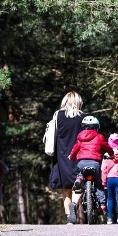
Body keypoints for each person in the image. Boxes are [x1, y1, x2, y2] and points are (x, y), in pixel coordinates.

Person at [67, 115, 113, 224]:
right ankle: (102, 205)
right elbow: (107, 147)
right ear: (96, 127)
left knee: (81, 172)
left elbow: (75, 149)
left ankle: (79, 179)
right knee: (98, 185)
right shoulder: (99, 136)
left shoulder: (80, 137)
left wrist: (71, 157)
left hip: (82, 162)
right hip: (95, 162)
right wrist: (112, 154)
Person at [48, 91, 85, 223]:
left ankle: (69, 217)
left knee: (65, 189)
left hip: (62, 155)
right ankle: (74, 205)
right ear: (78, 102)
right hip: (78, 156)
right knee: (78, 184)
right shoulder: (83, 117)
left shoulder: (58, 115)